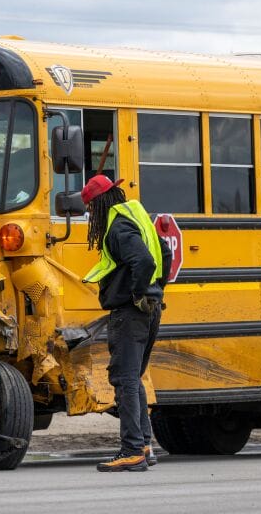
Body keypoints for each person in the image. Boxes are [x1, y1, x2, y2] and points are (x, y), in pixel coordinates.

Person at [80, 174, 171, 472]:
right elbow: (164, 254)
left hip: (130, 312)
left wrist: (137, 292)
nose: (91, 216)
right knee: (134, 377)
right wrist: (156, 291)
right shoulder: (137, 217)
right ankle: (144, 444)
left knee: (124, 379)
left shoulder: (117, 227)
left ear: (99, 204)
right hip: (150, 309)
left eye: (91, 210)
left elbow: (143, 261)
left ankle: (131, 450)